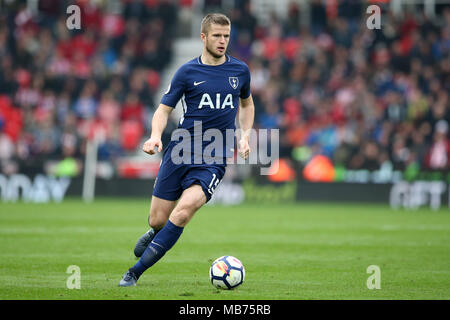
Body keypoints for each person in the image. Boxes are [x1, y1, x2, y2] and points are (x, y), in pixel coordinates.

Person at [119, 13, 255, 287]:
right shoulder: (187, 72)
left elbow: (247, 105)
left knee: (183, 212)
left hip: (214, 157)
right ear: (203, 37)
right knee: (159, 219)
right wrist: (155, 136)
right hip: (180, 151)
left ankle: (133, 273)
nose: (222, 41)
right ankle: (155, 231)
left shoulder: (240, 71)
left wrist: (245, 137)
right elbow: (163, 109)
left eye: (226, 36)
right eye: (217, 35)